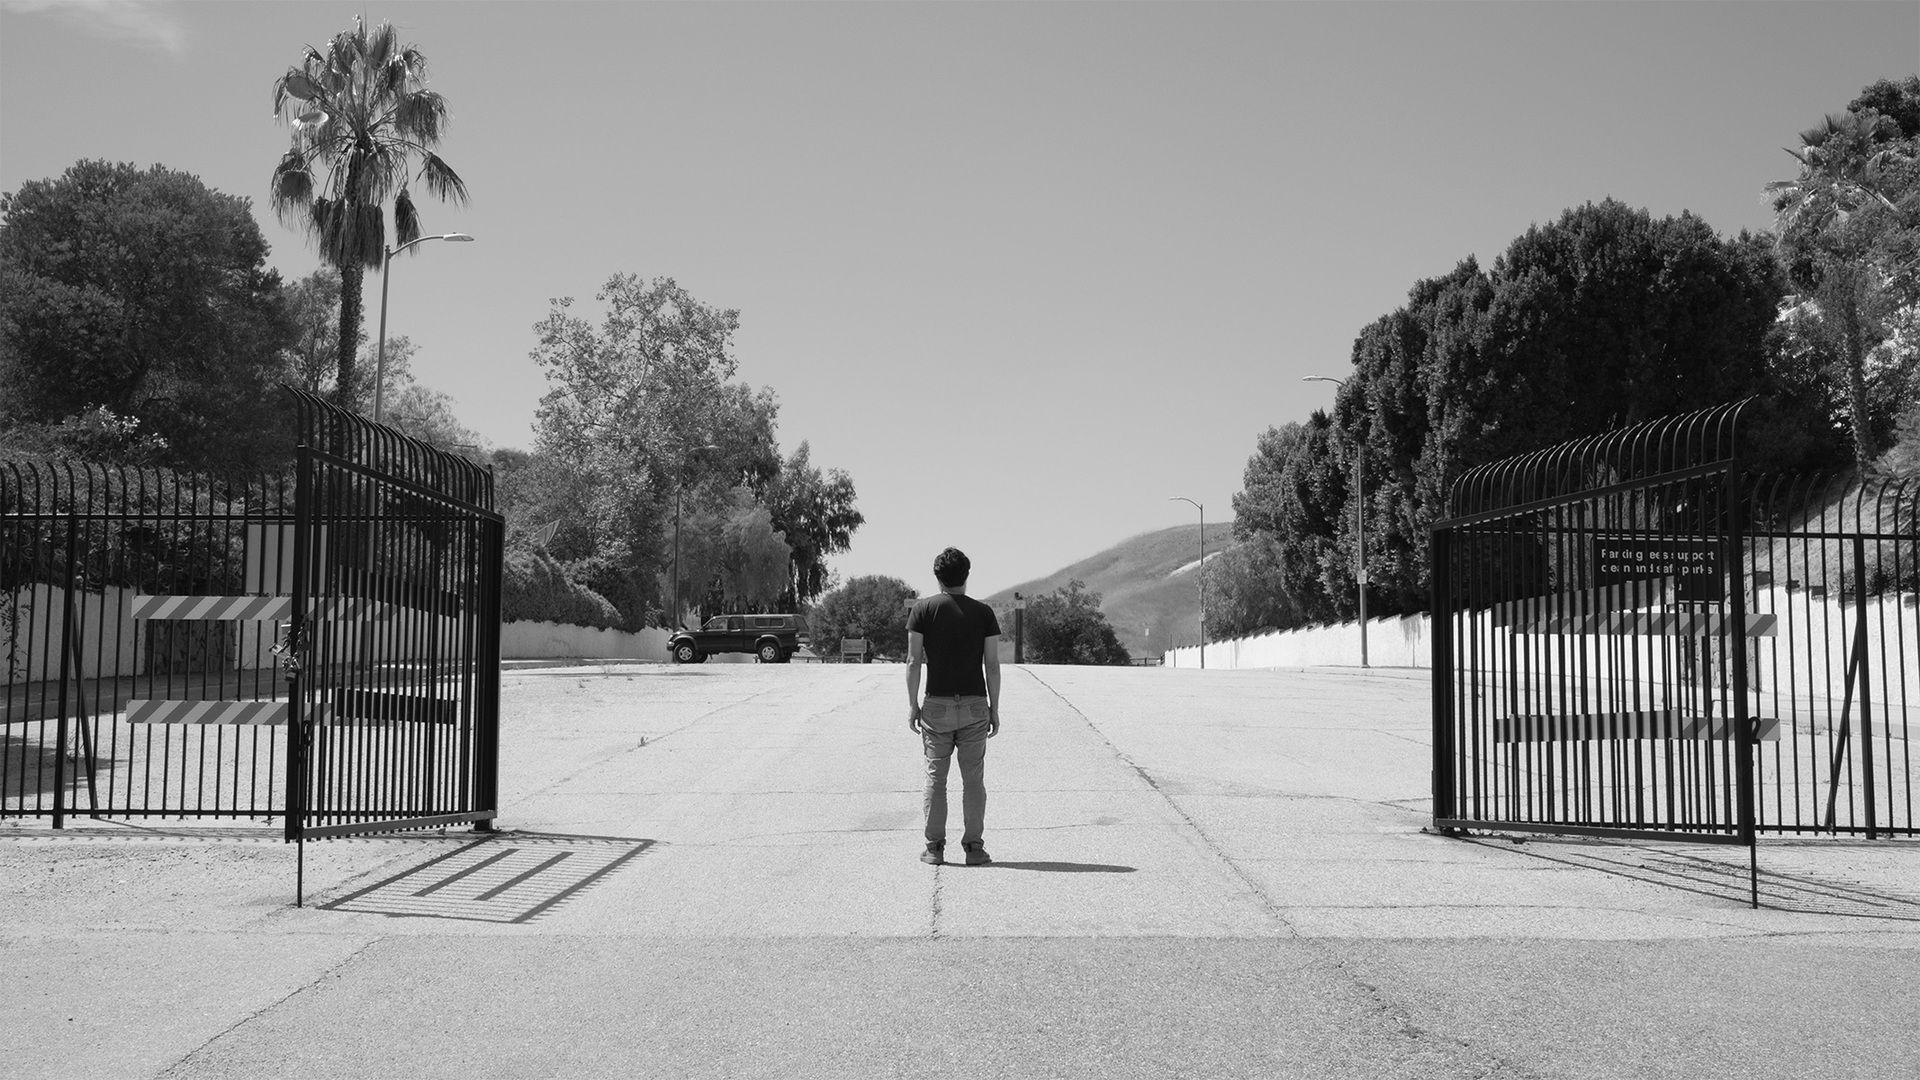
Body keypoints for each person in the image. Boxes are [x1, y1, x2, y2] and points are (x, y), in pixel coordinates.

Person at [905, 547, 1001, 866]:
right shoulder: (984, 613)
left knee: (936, 778)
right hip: (975, 705)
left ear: (937, 577)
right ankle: (974, 848)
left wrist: (912, 705)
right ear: (966, 575)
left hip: (936, 705)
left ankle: (934, 848)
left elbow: (913, 661)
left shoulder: (922, 610)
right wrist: (994, 708)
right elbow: (992, 665)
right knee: (973, 779)